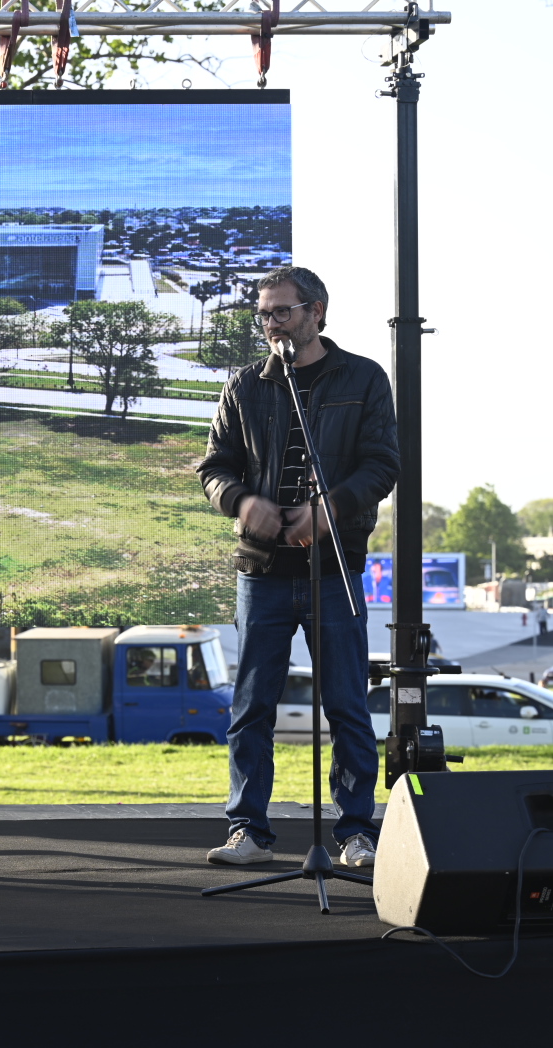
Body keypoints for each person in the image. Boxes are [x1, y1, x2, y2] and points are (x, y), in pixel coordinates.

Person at [196, 266, 398, 870]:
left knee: (346, 703)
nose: (271, 325)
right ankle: (249, 830)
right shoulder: (244, 385)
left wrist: (329, 509)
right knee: (252, 703)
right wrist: (242, 501)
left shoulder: (362, 379)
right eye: (264, 315)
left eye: (282, 312)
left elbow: (382, 464)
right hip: (260, 571)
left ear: (316, 313)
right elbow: (213, 468)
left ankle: (356, 832)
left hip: (332, 567)